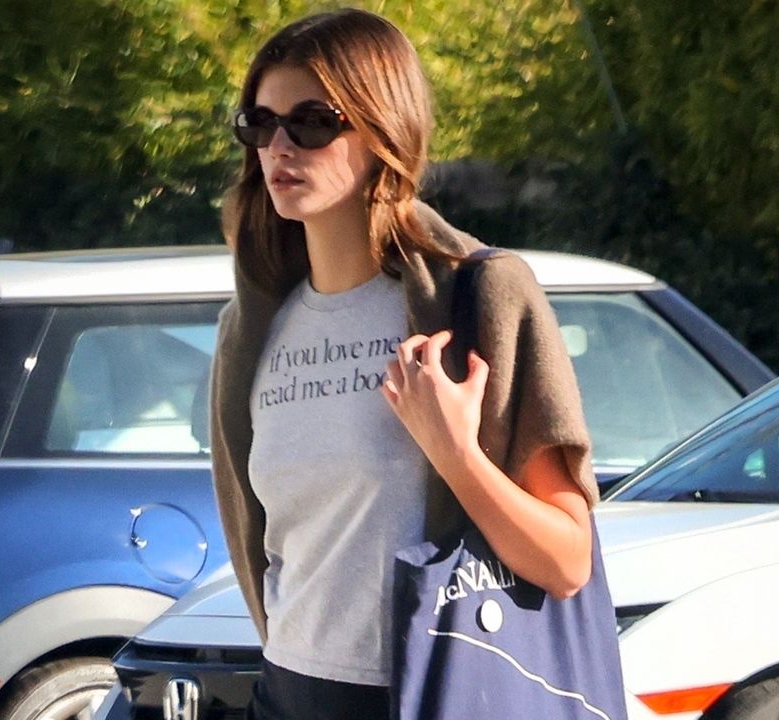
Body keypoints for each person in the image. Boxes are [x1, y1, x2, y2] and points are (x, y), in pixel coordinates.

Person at [210, 8, 601, 719]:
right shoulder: (250, 331)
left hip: (433, 689)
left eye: (313, 121)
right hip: (288, 690)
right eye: (259, 123)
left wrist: (456, 454)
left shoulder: (477, 297)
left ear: (384, 130)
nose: (279, 146)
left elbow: (567, 561)